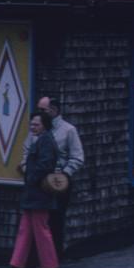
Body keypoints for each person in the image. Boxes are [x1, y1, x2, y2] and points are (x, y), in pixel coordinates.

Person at [8, 110, 62, 268]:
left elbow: (45, 165)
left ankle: (50, 265)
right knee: (26, 228)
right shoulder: (42, 140)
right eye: (31, 124)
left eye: (36, 124)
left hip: (39, 192)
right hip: (33, 192)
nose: (33, 127)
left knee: (40, 229)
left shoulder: (46, 141)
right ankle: (17, 263)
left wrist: (31, 178)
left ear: (45, 125)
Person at [36, 96, 85, 255]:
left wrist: (64, 174)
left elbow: (77, 157)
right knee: (39, 217)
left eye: (43, 110)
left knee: (56, 217)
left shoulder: (68, 130)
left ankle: (55, 254)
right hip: (40, 177)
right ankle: (39, 254)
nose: (40, 113)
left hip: (59, 179)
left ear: (54, 110)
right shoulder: (38, 128)